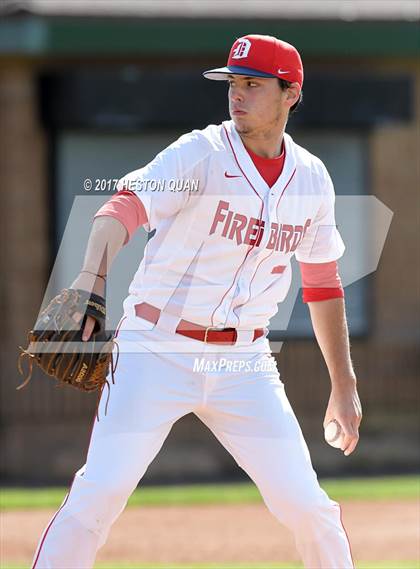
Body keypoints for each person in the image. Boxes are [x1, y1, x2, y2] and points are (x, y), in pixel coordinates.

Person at [32, 34, 362, 569]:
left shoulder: (313, 181)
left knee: (307, 506)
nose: (237, 95)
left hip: (244, 364)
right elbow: (122, 208)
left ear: (290, 94)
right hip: (155, 348)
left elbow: (323, 284)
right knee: (101, 493)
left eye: (253, 85)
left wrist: (343, 385)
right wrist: (93, 279)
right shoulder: (201, 153)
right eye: (233, 83)